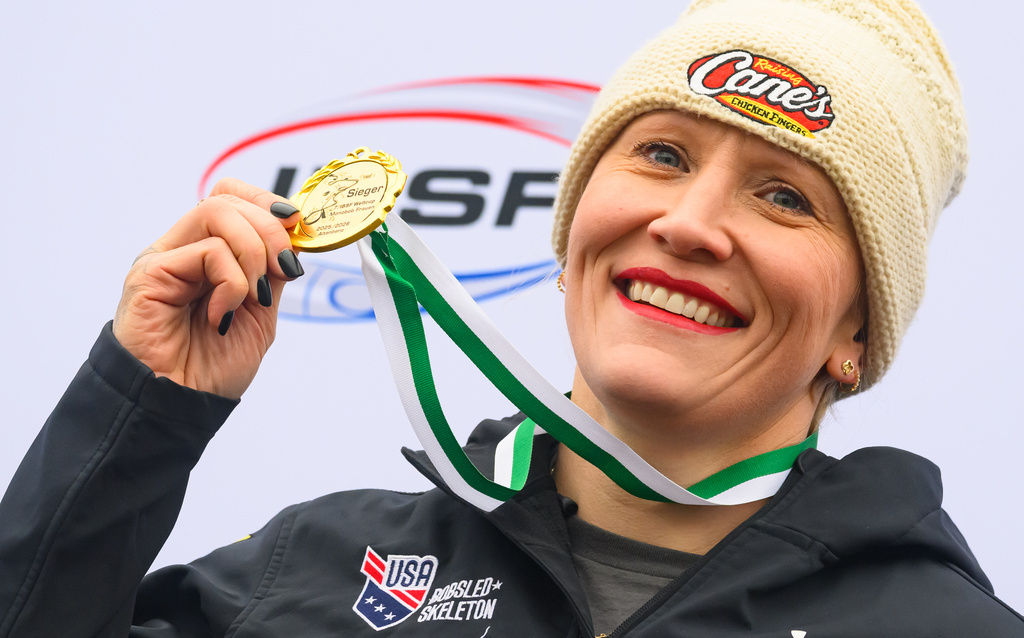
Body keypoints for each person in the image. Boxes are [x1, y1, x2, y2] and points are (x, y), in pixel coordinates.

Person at [1, 0, 1022, 635]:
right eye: (661, 154)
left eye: (785, 197)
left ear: (858, 331)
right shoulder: (310, 571)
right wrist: (140, 411)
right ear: (577, 221)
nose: (689, 222)